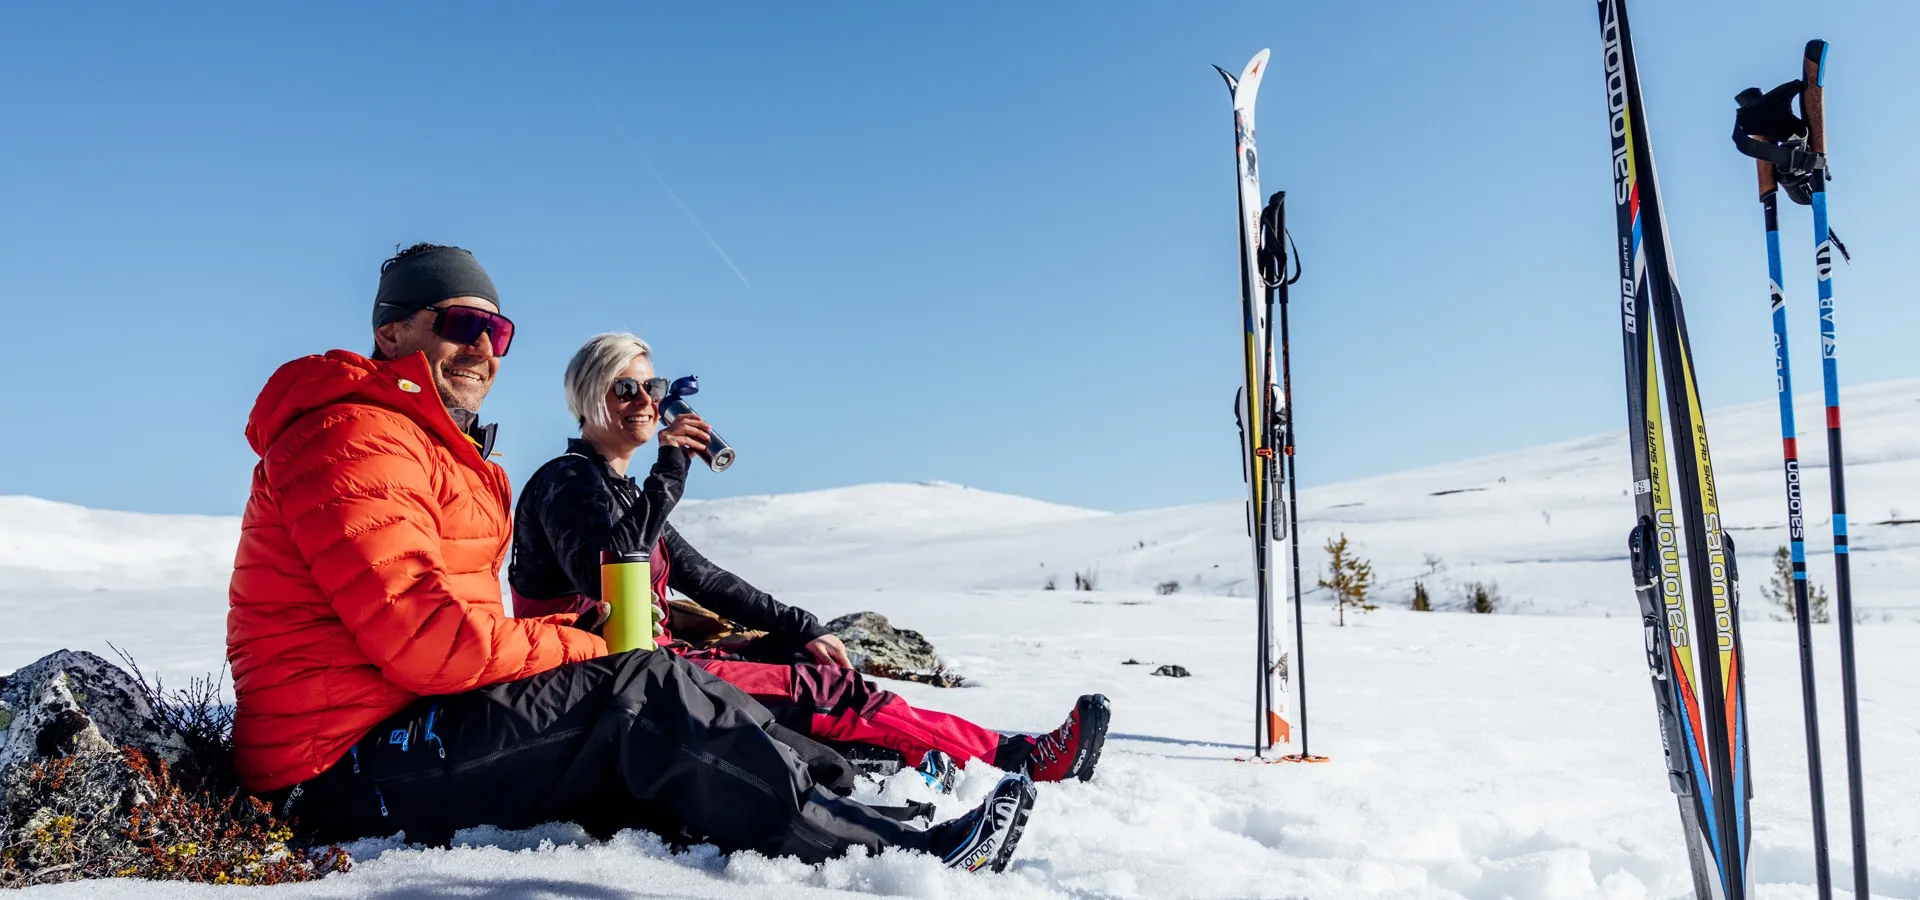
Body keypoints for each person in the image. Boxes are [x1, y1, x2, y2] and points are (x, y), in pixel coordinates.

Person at [226, 243, 1034, 872]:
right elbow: (431, 641)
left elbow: (697, 575)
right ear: (392, 331)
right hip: (333, 765)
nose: (483, 348)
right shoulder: (355, 438)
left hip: (402, 721)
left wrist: (792, 623)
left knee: (664, 690)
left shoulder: (431, 448)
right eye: (460, 324)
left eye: (497, 330)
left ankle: (856, 816)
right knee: (641, 686)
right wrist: (591, 646)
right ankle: (890, 859)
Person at [509, 332, 1111, 785]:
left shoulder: (618, 492)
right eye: (625, 388)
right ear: (588, 399)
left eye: (654, 387)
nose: (645, 400)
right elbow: (610, 570)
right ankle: (1018, 759)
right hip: (605, 682)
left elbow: (706, 579)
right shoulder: (565, 482)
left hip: (655, 666)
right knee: (822, 693)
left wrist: (804, 624)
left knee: (807, 658)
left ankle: (901, 759)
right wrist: (669, 471)